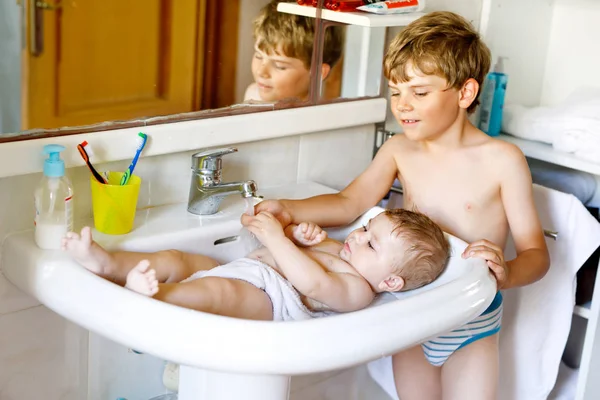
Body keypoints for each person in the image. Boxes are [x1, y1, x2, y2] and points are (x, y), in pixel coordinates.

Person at [254, 11, 550, 400]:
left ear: (465, 93)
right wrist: (287, 210)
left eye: (420, 93)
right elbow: (349, 203)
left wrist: (508, 273)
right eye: (395, 92)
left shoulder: (502, 160)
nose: (403, 105)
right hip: (411, 312)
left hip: (471, 319)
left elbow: (537, 254)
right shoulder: (399, 149)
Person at [61, 209, 449, 321]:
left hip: (269, 299)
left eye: (370, 243)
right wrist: (301, 233)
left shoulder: (358, 291)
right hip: (248, 269)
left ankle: (156, 295)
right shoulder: (346, 253)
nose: (357, 237)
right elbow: (309, 250)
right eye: (365, 228)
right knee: (181, 259)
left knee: (218, 293)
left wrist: (278, 240)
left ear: (391, 280)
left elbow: (312, 284)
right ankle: (107, 262)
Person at [243, 0, 344, 103]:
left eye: (279, 66)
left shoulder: (317, 116)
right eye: (258, 56)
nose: (261, 72)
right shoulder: (252, 95)